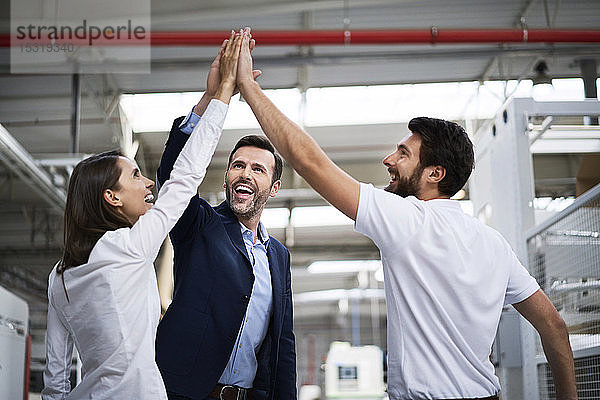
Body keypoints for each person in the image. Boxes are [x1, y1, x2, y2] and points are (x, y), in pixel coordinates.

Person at [234, 34, 578, 400]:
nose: (389, 160)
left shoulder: (407, 220)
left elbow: (307, 160)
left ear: (435, 174)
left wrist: (249, 89)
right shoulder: (494, 243)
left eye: (403, 153)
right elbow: (554, 326)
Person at [41, 31, 242, 400]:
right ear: (111, 197)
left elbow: (55, 378)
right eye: (135, 175)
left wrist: (209, 96)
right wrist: (225, 90)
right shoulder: (126, 247)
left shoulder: (59, 276)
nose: (148, 182)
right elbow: (183, 180)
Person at [155, 28, 296, 400]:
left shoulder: (279, 258)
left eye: (258, 169)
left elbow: (282, 343)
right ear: (228, 175)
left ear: (275, 188)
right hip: (185, 394)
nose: (245, 174)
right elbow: (173, 176)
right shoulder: (201, 225)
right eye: (238, 165)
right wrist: (212, 97)